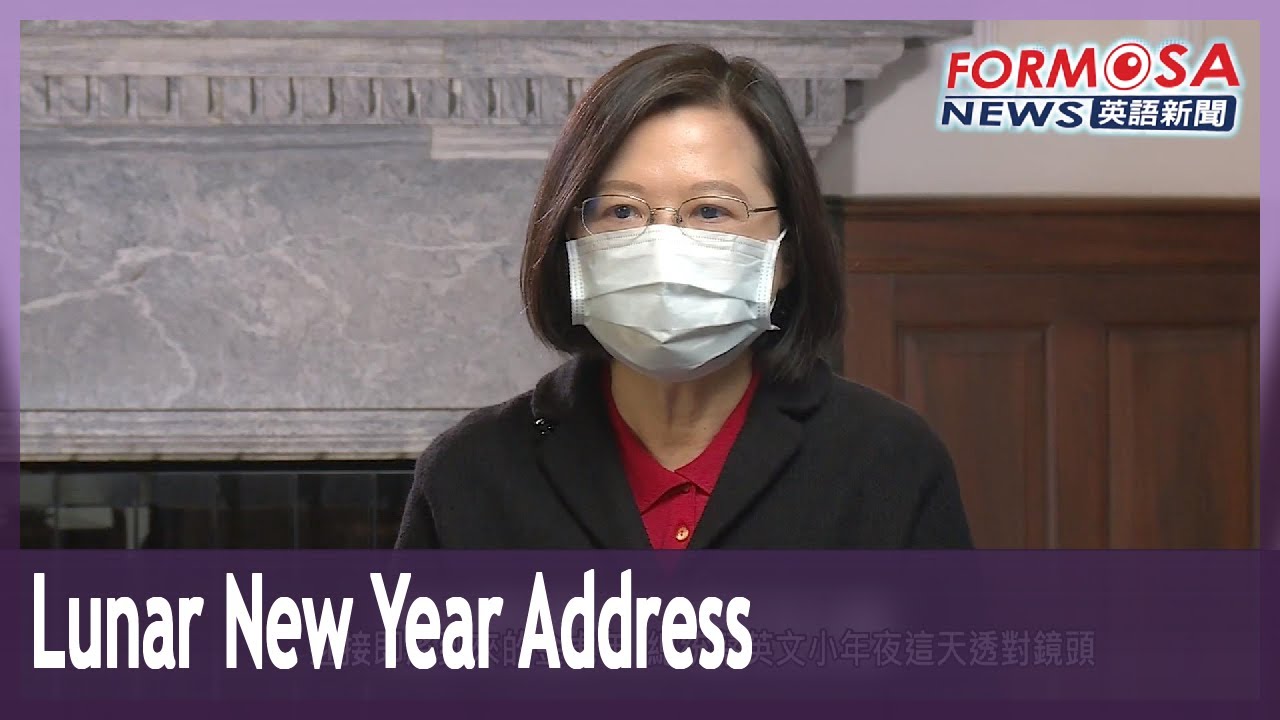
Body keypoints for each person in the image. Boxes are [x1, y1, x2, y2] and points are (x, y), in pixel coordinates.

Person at [396, 43, 973, 550]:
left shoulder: (887, 463)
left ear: (786, 254)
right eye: (622, 209)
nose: (664, 246)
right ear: (570, 237)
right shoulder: (471, 473)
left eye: (711, 211)